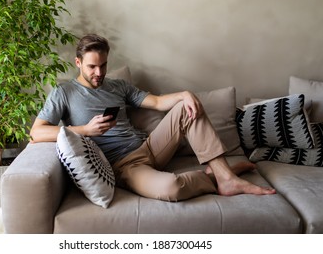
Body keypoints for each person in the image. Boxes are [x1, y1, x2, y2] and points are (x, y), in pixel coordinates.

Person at [30, 34, 276, 202]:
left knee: (186, 107)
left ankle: (227, 178)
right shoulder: (65, 92)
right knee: (171, 188)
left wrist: (185, 95)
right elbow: (36, 132)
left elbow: (157, 102)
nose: (99, 73)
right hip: (124, 165)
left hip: (149, 146)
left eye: (103, 65)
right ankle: (219, 175)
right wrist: (85, 129)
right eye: (92, 67)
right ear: (78, 63)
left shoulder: (117, 86)